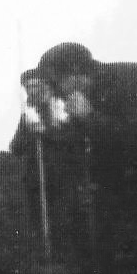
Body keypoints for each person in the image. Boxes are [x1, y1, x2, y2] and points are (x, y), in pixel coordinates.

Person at [36, 42, 137, 274]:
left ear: (74, 75)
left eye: (57, 84)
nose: (58, 95)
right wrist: (43, 113)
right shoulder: (84, 97)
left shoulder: (133, 79)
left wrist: (89, 117)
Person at [8, 69, 88, 260]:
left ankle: (68, 264)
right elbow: (15, 146)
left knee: (64, 225)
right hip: (37, 180)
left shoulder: (64, 109)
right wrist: (30, 134)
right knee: (40, 226)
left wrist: (45, 133)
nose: (32, 91)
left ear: (48, 86)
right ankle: (45, 263)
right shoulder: (28, 114)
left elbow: (74, 140)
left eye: (36, 86)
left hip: (64, 180)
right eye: (28, 88)